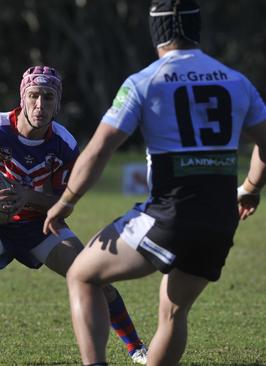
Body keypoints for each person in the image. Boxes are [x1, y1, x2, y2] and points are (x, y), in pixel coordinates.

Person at [43, 1, 266, 365]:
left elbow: (99, 150)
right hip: (220, 219)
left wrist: (67, 199)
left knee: (82, 274)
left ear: (156, 32)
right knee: (173, 312)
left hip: (170, 214)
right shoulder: (236, 81)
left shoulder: (144, 81)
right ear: (197, 30)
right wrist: (251, 189)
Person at [0, 65, 148, 364]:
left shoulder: (65, 145)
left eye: (48, 97)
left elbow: (65, 202)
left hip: (42, 226)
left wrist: (28, 196)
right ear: (22, 97)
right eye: (33, 96)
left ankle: (136, 348)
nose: (40, 105)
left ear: (58, 102)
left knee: (94, 277)